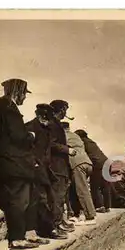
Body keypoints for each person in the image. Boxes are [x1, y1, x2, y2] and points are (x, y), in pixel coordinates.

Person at [0, 78, 46, 250]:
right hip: (10, 165)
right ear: (18, 92)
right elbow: (18, 137)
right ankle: (17, 239)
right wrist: (30, 135)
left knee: (29, 196)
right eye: (24, 93)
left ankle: (29, 233)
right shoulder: (9, 107)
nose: (25, 97)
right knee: (19, 200)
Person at [25, 103, 68, 240]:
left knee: (48, 198)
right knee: (41, 199)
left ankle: (48, 228)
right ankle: (46, 230)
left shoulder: (46, 129)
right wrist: (34, 163)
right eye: (46, 117)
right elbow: (25, 147)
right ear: (40, 115)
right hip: (34, 168)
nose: (48, 121)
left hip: (45, 168)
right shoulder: (30, 127)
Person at [48, 99, 77, 233]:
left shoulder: (56, 124)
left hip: (61, 166)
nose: (66, 112)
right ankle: (56, 225)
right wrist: (67, 150)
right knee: (57, 197)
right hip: (56, 166)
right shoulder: (53, 125)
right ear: (61, 110)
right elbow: (52, 144)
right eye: (65, 109)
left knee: (60, 197)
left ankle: (60, 221)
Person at [62, 122, 97, 226]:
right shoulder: (76, 136)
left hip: (78, 164)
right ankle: (77, 214)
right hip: (87, 163)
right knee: (77, 189)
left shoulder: (64, 135)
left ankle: (90, 216)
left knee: (82, 190)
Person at [74, 129, 111, 213]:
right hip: (106, 163)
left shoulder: (82, 142)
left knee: (95, 186)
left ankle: (99, 206)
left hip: (97, 164)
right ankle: (107, 206)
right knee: (105, 186)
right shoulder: (91, 142)